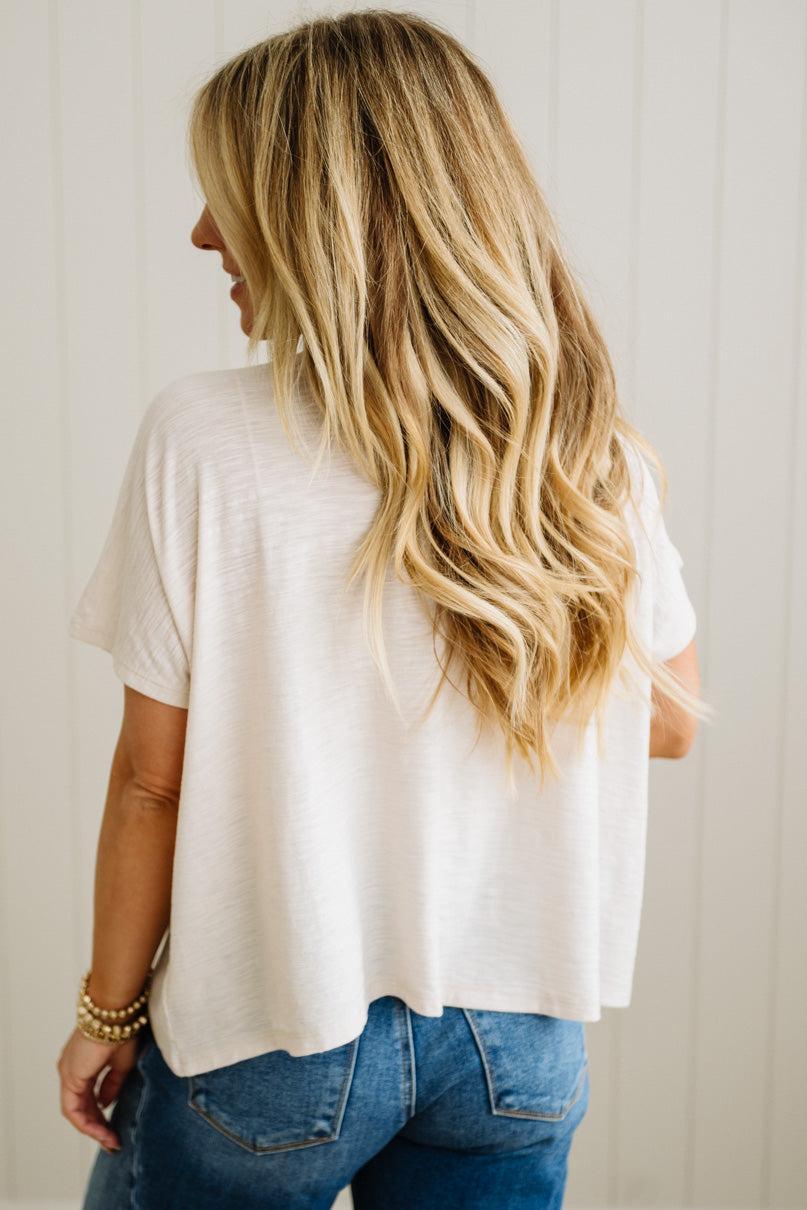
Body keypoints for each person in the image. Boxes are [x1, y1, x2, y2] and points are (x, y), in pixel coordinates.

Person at [57, 10, 712, 1208]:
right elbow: (668, 720)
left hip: (275, 1033)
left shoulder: (204, 436)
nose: (204, 233)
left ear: (322, 221)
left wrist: (104, 1012)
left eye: (230, 199)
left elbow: (153, 780)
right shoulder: (582, 451)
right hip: (515, 1046)